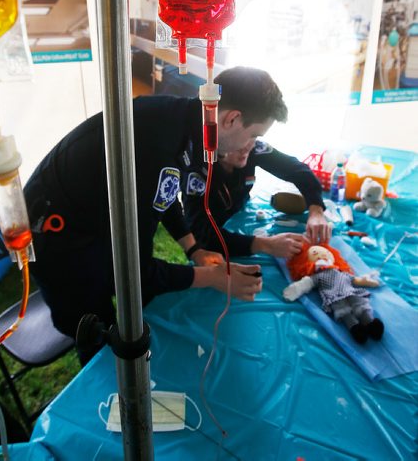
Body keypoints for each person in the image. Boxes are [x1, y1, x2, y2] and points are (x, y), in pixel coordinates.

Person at [24, 67, 268, 348]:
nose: (251, 146)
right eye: (254, 135)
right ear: (232, 119)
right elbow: (134, 273)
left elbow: (163, 193)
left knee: (126, 308)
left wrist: (194, 249)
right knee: (96, 331)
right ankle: (102, 378)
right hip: (57, 239)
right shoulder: (157, 142)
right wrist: (212, 278)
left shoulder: (183, 121)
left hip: (87, 217)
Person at [182, 67, 330, 259]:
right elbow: (201, 233)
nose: (250, 146)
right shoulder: (196, 167)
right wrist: (263, 245)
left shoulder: (252, 147)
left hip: (238, 217)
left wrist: (316, 210)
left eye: (256, 137)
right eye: (251, 136)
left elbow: (297, 169)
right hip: (217, 243)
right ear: (229, 123)